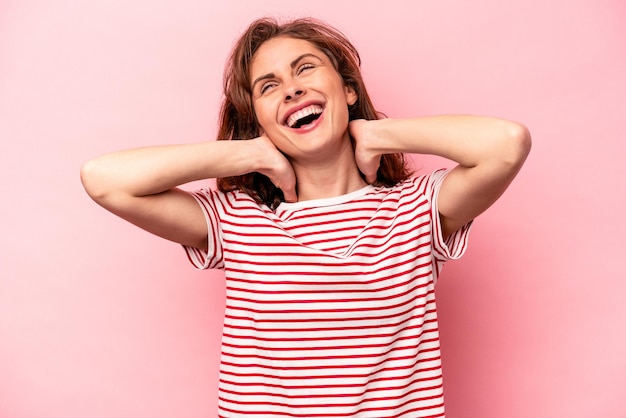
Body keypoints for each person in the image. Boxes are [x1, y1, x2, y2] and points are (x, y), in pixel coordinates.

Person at [81, 16, 531, 418]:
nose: (292, 88)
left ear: (348, 89)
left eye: (305, 68)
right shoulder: (237, 219)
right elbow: (104, 179)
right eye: (268, 86)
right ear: (258, 118)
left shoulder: (416, 208)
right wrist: (248, 153)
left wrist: (377, 132)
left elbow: (506, 142)